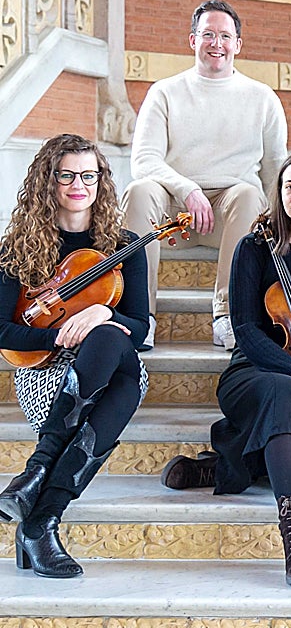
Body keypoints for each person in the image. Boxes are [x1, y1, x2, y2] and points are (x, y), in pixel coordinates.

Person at [159, 146, 291, 588]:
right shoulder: (255, 248)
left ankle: (227, 467)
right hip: (256, 370)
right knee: (285, 393)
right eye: (290, 186)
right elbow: (246, 329)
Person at [0, 134, 150, 578]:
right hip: (46, 370)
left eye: (89, 174)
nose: (78, 184)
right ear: (48, 180)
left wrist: (103, 311)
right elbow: (1, 330)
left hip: (111, 357)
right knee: (115, 383)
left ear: (101, 180)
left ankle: (35, 474)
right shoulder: (18, 249)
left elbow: (139, 328)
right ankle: (42, 522)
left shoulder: (125, 244)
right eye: (66, 174)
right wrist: (58, 336)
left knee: (107, 337)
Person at [122, 0, 288, 351]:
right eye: (208, 34)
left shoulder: (262, 98)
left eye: (225, 36)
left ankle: (226, 316)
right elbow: (144, 159)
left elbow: (275, 168)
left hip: (229, 217)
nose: (217, 44)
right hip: (172, 215)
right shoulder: (165, 92)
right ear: (192, 40)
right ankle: (141, 316)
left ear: (238, 45)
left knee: (249, 194)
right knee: (139, 191)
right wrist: (188, 189)